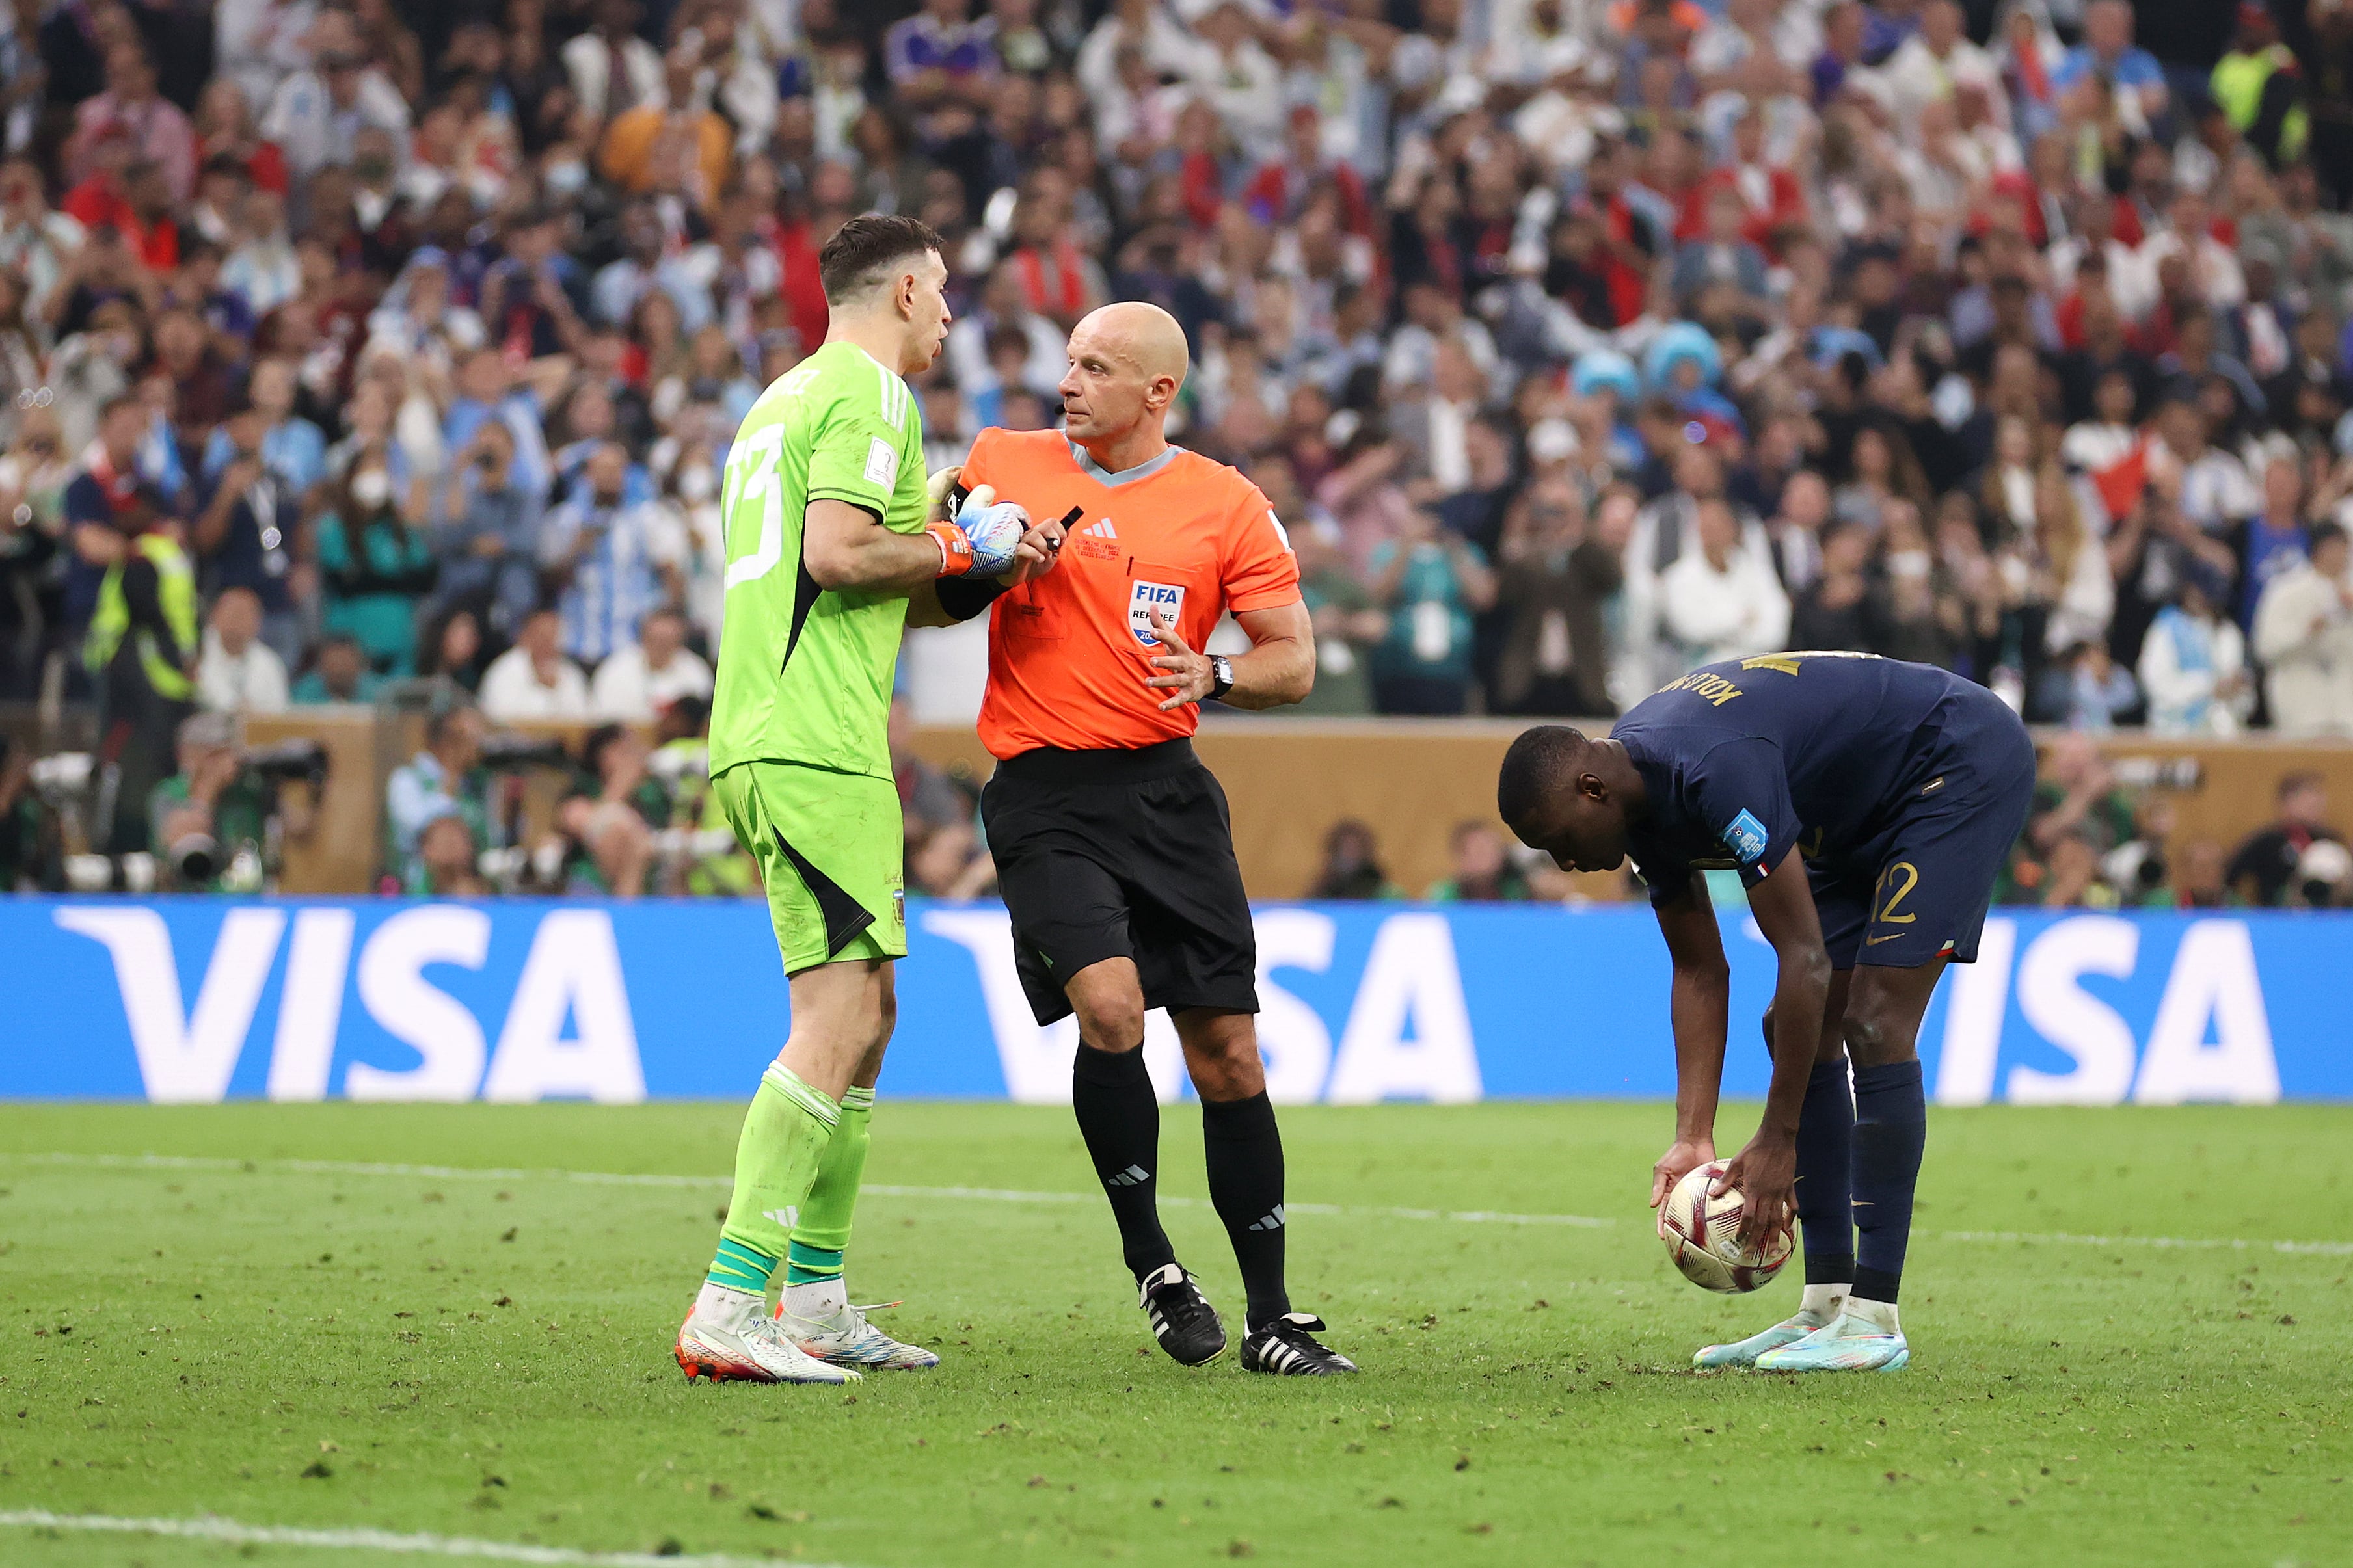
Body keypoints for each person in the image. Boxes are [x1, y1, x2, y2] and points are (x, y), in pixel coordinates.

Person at [679, 214, 1060, 1387]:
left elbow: (880, 581)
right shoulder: (869, 395)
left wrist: (980, 558)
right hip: (809, 743)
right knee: (836, 1021)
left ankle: (816, 1300)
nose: (949, 313)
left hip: (781, 732)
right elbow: (843, 555)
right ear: (900, 292)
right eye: (940, 292)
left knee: (871, 1017)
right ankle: (733, 1301)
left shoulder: (782, 403)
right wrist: (954, 542)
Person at [956, 299, 1354, 1377]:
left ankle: (1271, 1318)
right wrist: (989, 570)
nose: (1067, 382)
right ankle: (1153, 1259)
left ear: (1157, 393)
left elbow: (1294, 660)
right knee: (1112, 1006)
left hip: (1168, 796)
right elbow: (916, 598)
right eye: (1067, 360)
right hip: (1042, 793)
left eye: (1093, 367)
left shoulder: (1227, 506)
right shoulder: (1000, 462)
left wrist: (1215, 672)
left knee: (1227, 1054)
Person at [1498, 652, 2037, 1374]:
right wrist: (1694, 1135)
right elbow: (1697, 965)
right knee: (1789, 1025)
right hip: (1847, 808)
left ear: (1591, 787)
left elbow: (1805, 958)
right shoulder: (1642, 795)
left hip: (1951, 759)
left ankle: (1873, 1318)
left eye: (1558, 840)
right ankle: (1825, 1305)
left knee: (1873, 1019)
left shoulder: (1713, 770)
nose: (1563, 863)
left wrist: (1778, 1137)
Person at [383, 702, 498, 886]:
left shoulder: (477, 783)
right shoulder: (407, 779)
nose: (478, 746)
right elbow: (422, 829)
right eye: (471, 738)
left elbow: (491, 840)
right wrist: (451, 779)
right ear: (446, 740)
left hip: (473, 886)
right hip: (415, 887)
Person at [2225, 773, 2342, 908]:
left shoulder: (2330, 841)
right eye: (2310, 798)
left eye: (2319, 798)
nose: (2318, 804)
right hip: (2276, 917)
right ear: (2287, 801)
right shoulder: (2267, 842)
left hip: (2325, 918)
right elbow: (2231, 878)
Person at [590, 607, 714, 721]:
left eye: (667, 641)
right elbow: (604, 718)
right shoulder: (616, 669)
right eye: (654, 639)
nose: (660, 647)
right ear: (643, 638)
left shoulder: (697, 672)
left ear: (680, 642)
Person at [477, 605, 591, 721]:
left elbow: (582, 718)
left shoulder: (571, 674)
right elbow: (501, 718)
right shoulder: (503, 672)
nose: (550, 642)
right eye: (543, 636)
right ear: (525, 636)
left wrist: (555, 689)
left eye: (555, 636)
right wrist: (543, 691)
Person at [193, 583, 289, 714]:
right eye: (233, 613)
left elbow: (278, 711)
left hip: (255, 730)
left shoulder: (269, 662)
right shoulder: (196, 652)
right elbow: (200, 693)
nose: (237, 621)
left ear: (258, 623)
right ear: (214, 615)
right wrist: (235, 707)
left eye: (245, 614)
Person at [1425, 821, 1532, 902]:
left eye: (1495, 848)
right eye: (1481, 851)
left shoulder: (1517, 891)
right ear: (1461, 856)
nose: (1491, 856)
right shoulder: (1444, 895)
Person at [293, 631, 383, 704]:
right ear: (320, 667)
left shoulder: (378, 694)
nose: (339, 670)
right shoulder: (304, 693)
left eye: (345, 662)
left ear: (360, 665)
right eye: (333, 663)